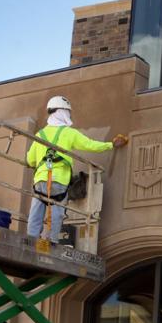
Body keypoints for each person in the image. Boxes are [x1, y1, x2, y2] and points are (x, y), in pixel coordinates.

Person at [26, 95, 128, 243]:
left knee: (36, 210)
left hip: (40, 180)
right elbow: (90, 145)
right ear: (62, 112)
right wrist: (111, 144)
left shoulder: (40, 134)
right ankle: (51, 241)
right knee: (56, 211)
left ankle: (31, 239)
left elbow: (30, 160)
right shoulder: (69, 133)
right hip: (58, 181)